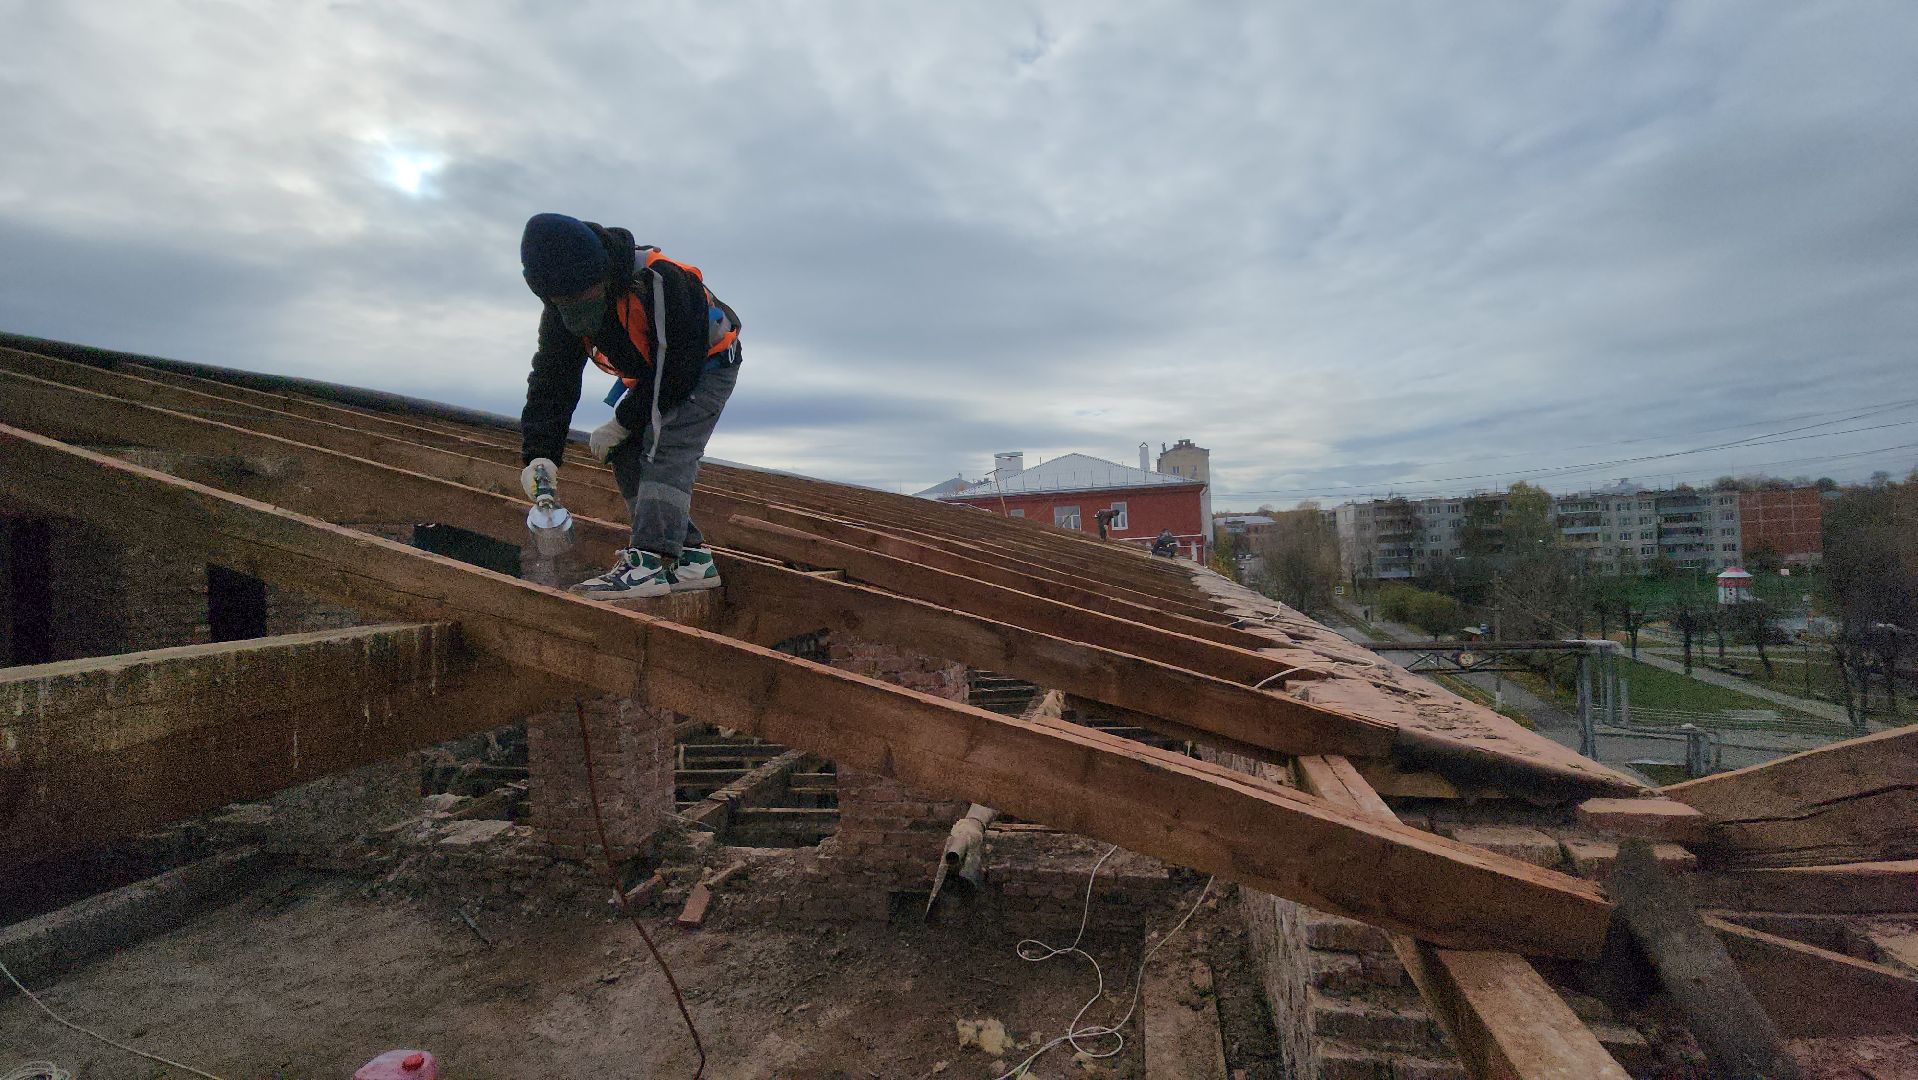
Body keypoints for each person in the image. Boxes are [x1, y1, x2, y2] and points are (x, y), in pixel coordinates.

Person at [516, 212, 742, 599]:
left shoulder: (660, 282)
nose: (574, 307)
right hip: (656, 374)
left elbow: (676, 372)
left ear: (601, 278)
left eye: (583, 297)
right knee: (626, 451)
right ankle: (689, 559)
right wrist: (541, 453)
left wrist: (622, 419)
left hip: (705, 363)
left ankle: (650, 560)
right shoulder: (560, 308)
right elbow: (553, 379)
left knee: (665, 445)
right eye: (561, 301)